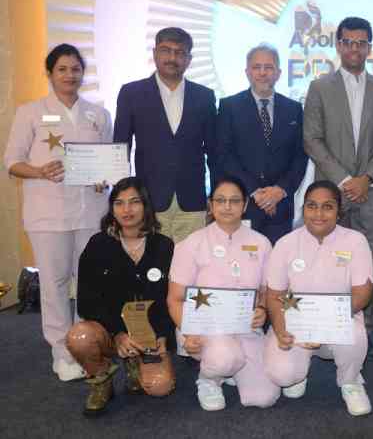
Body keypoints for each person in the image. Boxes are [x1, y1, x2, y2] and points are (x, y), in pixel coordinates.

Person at [3, 43, 112, 381]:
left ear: (83, 73)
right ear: (49, 73)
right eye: (62, 69)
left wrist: (104, 178)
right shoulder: (30, 112)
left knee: (90, 283)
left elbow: (110, 160)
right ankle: (62, 352)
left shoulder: (98, 114)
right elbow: (11, 163)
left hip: (91, 213)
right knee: (54, 282)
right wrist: (39, 171)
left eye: (75, 68)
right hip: (48, 214)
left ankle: (86, 344)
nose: (70, 75)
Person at [303, 17, 373, 343]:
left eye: (361, 43)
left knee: (366, 262)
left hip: (371, 191)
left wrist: (366, 178)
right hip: (330, 193)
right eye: (348, 42)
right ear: (339, 45)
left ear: (369, 47)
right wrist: (345, 180)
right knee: (327, 262)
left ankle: (366, 333)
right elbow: (311, 140)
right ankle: (325, 329)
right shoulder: (319, 87)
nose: (354, 48)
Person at [167, 176, 278, 411]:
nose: (227, 207)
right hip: (202, 329)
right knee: (226, 357)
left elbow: (266, 291)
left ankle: (228, 368)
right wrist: (188, 332)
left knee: (264, 397)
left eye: (234, 201)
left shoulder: (261, 243)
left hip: (245, 328)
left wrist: (262, 309)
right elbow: (174, 299)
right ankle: (209, 379)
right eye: (220, 200)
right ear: (211, 205)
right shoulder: (191, 244)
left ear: (245, 205)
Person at [264, 180, 373, 416]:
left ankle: (350, 381)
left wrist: (324, 323)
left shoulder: (356, 241)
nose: (319, 214)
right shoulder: (285, 244)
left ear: (339, 211)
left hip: (340, 321)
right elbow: (273, 296)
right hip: (295, 325)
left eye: (327, 206)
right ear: (303, 209)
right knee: (282, 375)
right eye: (312, 206)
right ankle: (298, 373)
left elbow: (362, 294)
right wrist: (282, 332)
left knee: (354, 336)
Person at [66, 177, 175, 416]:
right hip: (111, 331)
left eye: (134, 202)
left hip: (152, 334)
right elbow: (87, 301)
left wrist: (163, 336)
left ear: (146, 206)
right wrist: (117, 334)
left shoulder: (164, 246)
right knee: (80, 337)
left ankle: (136, 364)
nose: (127, 210)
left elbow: (172, 298)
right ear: (112, 208)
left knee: (159, 387)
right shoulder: (98, 245)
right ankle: (101, 377)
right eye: (119, 203)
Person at [113, 27, 216, 244]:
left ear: (189, 59)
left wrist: (215, 195)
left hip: (192, 201)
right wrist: (124, 198)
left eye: (180, 52)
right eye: (166, 50)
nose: (172, 58)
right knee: (152, 271)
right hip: (148, 200)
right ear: (154, 54)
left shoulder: (204, 96)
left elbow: (214, 152)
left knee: (190, 269)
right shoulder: (131, 93)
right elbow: (120, 147)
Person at [216, 43, 307, 245]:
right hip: (243, 203)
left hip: (280, 207)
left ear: (279, 73)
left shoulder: (294, 108)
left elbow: (300, 156)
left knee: (277, 269)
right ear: (247, 72)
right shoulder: (229, 106)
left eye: (269, 67)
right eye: (257, 67)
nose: (263, 73)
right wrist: (256, 192)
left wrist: (279, 190)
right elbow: (224, 155)